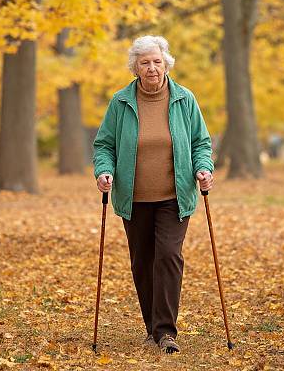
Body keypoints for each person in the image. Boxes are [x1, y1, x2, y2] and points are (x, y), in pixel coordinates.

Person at [93, 35, 214, 354]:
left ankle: (165, 332)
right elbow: (104, 144)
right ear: (135, 67)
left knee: (169, 256)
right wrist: (103, 171)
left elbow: (201, 142)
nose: (151, 68)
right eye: (145, 62)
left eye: (157, 62)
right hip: (134, 199)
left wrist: (203, 168)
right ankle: (152, 326)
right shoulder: (120, 102)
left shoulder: (184, 100)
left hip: (175, 196)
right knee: (142, 262)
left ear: (166, 64)